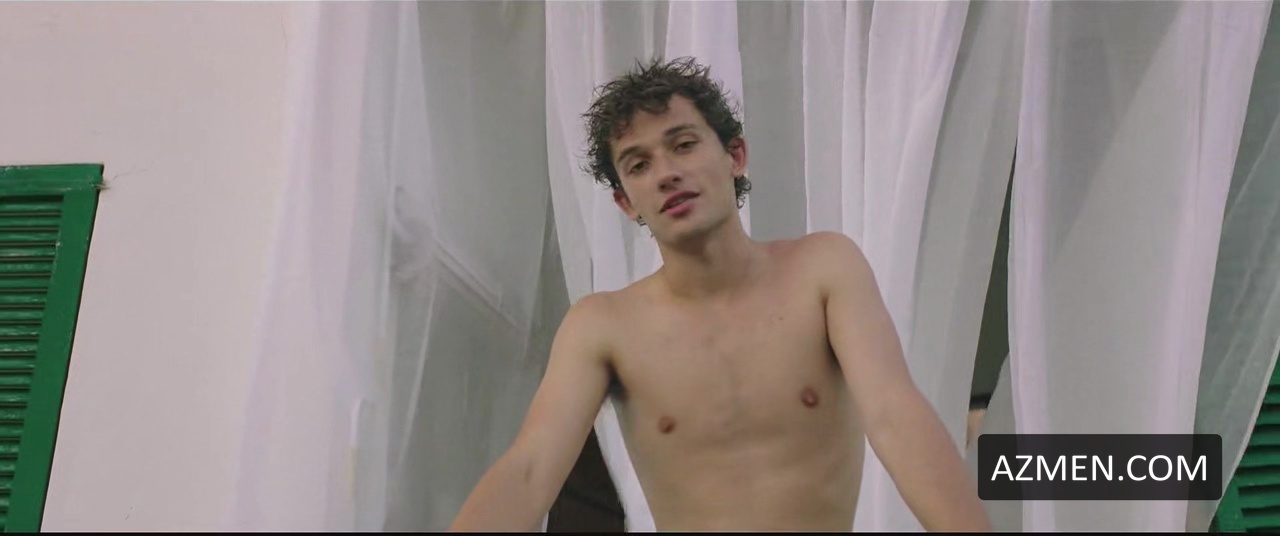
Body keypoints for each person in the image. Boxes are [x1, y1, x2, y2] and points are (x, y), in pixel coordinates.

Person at [449, 57, 990, 532]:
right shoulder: (603, 326)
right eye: (639, 165)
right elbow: (530, 469)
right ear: (626, 202)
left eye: (683, 145)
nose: (666, 174)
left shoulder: (824, 270)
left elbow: (895, 417)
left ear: (735, 155)